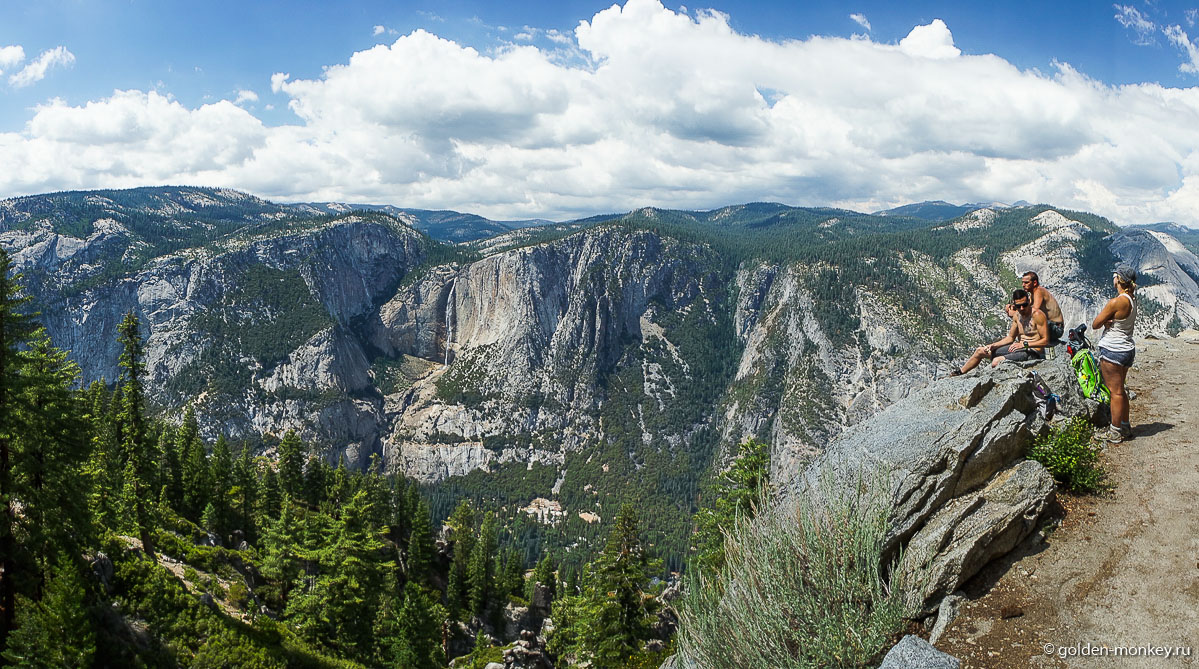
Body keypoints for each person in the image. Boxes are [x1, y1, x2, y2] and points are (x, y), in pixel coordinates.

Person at [953, 288, 1050, 375]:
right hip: (1018, 348)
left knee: (996, 362)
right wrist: (993, 346)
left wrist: (1024, 345)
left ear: (1029, 301)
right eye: (1018, 306)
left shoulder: (1037, 315)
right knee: (980, 351)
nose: (1021, 308)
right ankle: (959, 373)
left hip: (1031, 352)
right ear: (1014, 304)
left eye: (1024, 305)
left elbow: (1045, 340)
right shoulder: (1017, 315)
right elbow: (1010, 338)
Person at [1093, 264, 1137, 443]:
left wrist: (1106, 322)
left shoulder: (1116, 302)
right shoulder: (1132, 298)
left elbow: (1096, 323)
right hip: (1127, 349)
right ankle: (1125, 426)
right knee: (1121, 390)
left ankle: (1115, 431)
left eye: (1114, 276)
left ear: (1119, 279)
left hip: (1113, 349)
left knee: (1115, 392)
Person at [1005, 271, 1065, 342]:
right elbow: (1026, 307)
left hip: (1055, 328)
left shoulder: (1039, 291)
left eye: (1026, 282)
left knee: (1029, 320)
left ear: (1035, 283)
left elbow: (1034, 312)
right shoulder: (1033, 294)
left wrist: (1014, 313)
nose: (1023, 285)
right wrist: (1013, 307)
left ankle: (1028, 346)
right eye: (1023, 282)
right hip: (1051, 326)